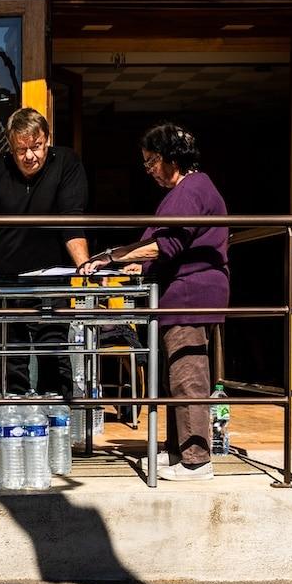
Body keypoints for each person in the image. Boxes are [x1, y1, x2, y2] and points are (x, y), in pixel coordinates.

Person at [80, 122, 229, 481]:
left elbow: (167, 245)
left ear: (170, 157)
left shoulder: (191, 190)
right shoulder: (189, 189)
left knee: (187, 373)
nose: (149, 170)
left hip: (190, 295)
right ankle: (179, 451)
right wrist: (134, 261)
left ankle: (195, 460)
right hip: (182, 293)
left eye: (151, 161)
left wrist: (113, 257)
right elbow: (166, 245)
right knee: (178, 372)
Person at [0, 107, 91, 397]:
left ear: (48, 140)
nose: (30, 156)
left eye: (37, 146)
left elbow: (71, 221)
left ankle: (57, 417)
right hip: (3, 281)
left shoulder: (66, 162)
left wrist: (85, 266)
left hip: (51, 280)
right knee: (10, 363)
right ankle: (13, 418)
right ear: (11, 146)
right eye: (22, 149)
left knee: (54, 356)